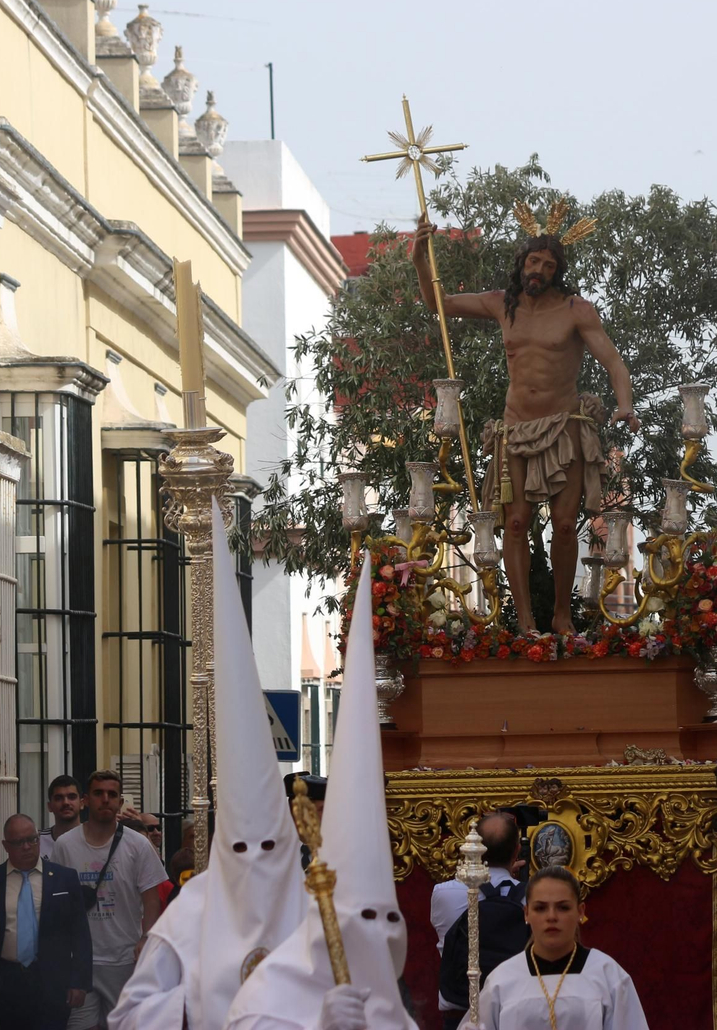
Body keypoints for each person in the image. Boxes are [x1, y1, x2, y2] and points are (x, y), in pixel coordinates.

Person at [110, 505, 306, 1030]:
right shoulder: (192, 910)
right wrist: (196, 1003)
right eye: (240, 847)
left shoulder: (320, 912)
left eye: (268, 847)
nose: (255, 860)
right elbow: (128, 1015)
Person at [410, 208, 638, 635]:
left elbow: (613, 362)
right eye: (534, 261)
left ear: (557, 272)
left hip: (564, 428)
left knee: (566, 526)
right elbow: (438, 303)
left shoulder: (576, 310)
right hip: (515, 429)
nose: (540, 270)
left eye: (549, 265)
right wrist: (420, 257)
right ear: (522, 263)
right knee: (515, 524)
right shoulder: (502, 304)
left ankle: (562, 616)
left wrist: (624, 405)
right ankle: (527, 622)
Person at [226, 564, 417, 1030]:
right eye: (364, 916)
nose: (377, 932)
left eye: (384, 918)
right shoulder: (267, 994)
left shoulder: (394, 997)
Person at [53, 769, 168, 1030]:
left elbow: (151, 899)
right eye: (98, 793)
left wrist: (146, 938)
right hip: (81, 960)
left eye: (112, 794)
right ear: (86, 800)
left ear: (120, 801)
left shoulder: (138, 845)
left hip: (124, 958)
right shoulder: (65, 845)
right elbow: (59, 901)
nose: (105, 799)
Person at [477, 867, 648, 1030]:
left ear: (580, 912)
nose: (551, 917)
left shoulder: (608, 976)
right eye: (540, 908)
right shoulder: (501, 981)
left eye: (563, 907)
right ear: (526, 913)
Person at [0, 814, 91, 1030]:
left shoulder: (64, 879)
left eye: (32, 840)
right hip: (3, 983)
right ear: (5, 846)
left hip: (51, 983)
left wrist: (79, 982)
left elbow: (80, 934)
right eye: (19, 842)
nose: (27, 847)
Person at [435, 813, 527, 1028]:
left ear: (473, 847)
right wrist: (509, 879)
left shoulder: (443, 894)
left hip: (461, 1012)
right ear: (517, 851)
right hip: (515, 1013)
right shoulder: (534, 898)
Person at [42, 774, 83, 861]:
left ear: (82, 803)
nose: (66, 802)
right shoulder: (37, 843)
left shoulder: (94, 841)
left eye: (72, 797)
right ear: (49, 806)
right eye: (59, 798)